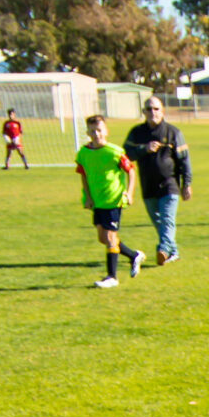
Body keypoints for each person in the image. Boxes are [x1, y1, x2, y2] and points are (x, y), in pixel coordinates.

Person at [75, 115, 143, 289]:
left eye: (99, 130)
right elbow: (83, 175)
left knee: (110, 237)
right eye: (92, 131)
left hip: (113, 199)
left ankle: (112, 277)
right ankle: (134, 255)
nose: (96, 134)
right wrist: (87, 197)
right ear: (87, 133)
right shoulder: (83, 153)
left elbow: (131, 171)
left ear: (106, 131)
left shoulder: (115, 152)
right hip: (97, 201)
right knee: (102, 238)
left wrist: (129, 193)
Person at [122, 98, 191, 267]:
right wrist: (144, 149)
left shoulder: (173, 132)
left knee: (167, 219)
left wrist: (186, 183)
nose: (152, 112)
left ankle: (163, 250)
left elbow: (184, 160)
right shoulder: (136, 133)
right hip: (148, 185)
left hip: (169, 184)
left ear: (162, 111)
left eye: (156, 108)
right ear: (143, 112)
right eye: (148, 109)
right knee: (158, 222)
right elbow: (125, 154)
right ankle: (173, 252)